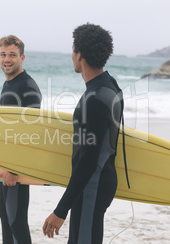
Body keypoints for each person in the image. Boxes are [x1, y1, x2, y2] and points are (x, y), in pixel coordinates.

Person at [43, 23, 124, 243]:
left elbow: (88, 160)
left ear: (79, 55)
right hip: (100, 181)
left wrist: (60, 211)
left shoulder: (94, 99)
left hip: (92, 185)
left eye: (72, 50)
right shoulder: (111, 86)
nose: (72, 55)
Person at [0, 35, 42, 244]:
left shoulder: (27, 87)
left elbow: (31, 133)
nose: (7, 59)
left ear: (22, 58)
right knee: (4, 214)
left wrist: (14, 169)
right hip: (7, 163)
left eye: (12, 55)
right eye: (3, 54)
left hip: (17, 166)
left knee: (15, 221)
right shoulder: (9, 84)